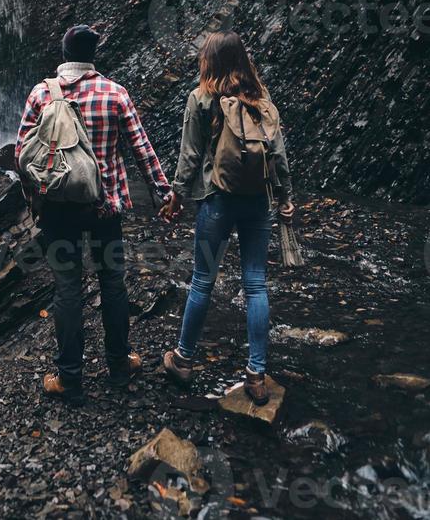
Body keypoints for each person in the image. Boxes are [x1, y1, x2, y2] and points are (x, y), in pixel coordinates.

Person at [15, 24, 173, 405]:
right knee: (112, 282)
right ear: (94, 54)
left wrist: (34, 200)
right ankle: (119, 364)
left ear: (65, 53)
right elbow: (142, 149)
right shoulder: (115, 93)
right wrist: (164, 193)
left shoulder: (41, 93)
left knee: (67, 288)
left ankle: (69, 378)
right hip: (106, 207)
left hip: (58, 209)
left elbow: (22, 153)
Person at [160, 30, 294, 405]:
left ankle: (183, 359)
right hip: (258, 201)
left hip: (216, 199)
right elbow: (278, 156)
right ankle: (256, 372)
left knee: (203, 279)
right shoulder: (261, 99)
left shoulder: (201, 98)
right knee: (255, 282)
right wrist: (286, 197)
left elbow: (189, 155)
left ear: (210, 61)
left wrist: (176, 197)